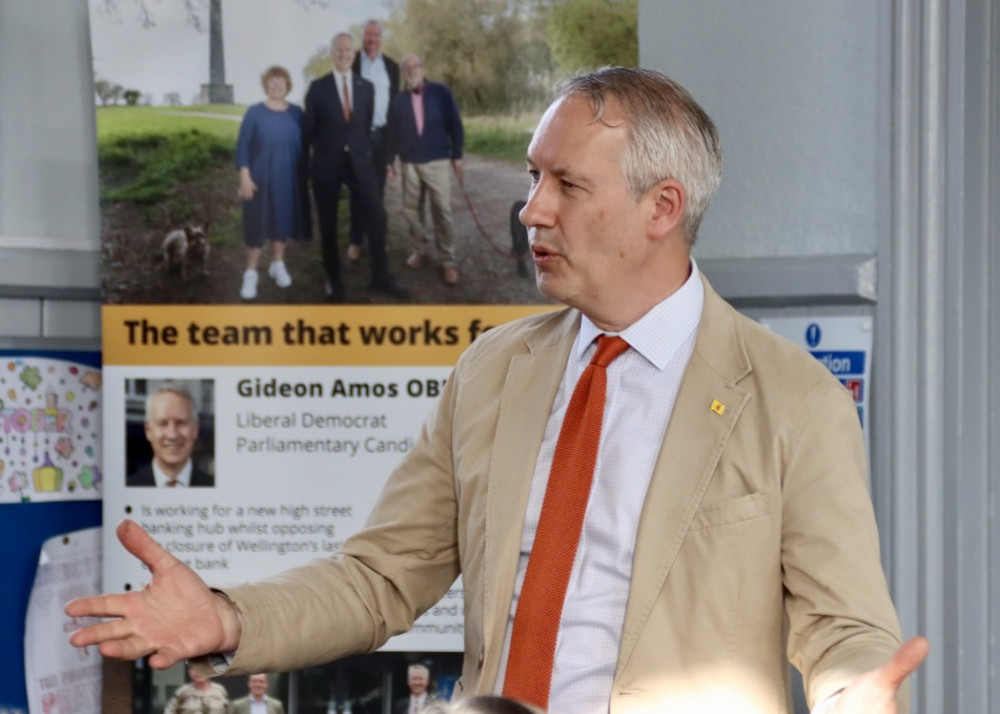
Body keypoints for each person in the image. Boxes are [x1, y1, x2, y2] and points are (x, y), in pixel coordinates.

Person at [68, 68, 928, 713]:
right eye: (531, 176)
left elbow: (843, 627)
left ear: (662, 207)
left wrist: (856, 689)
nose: (531, 211)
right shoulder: (491, 370)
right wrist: (226, 619)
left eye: (568, 186)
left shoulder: (792, 399)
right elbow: (379, 579)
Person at [304, 32, 407, 303]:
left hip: (360, 164)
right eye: (338, 50)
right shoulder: (318, 88)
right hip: (327, 165)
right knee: (328, 224)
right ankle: (333, 280)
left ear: (353, 54)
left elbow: (362, 129)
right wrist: (308, 168)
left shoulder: (366, 88)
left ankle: (381, 277)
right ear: (332, 53)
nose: (343, 54)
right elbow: (309, 132)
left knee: (377, 217)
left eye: (348, 50)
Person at [234, 65, 311, 301]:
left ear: (288, 85)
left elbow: (311, 140)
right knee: (256, 225)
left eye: (281, 82)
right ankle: (251, 272)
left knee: (283, 222)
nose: (277, 86)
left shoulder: (297, 113)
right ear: (266, 85)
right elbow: (242, 145)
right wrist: (244, 176)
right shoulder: (255, 112)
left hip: (288, 178)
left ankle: (277, 264)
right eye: (272, 82)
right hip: (259, 179)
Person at [387, 54, 465, 285]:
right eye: (407, 68)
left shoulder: (440, 92)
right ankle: (419, 248)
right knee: (412, 210)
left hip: (437, 160)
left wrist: (457, 155)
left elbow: (454, 123)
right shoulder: (398, 101)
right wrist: (389, 160)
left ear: (422, 68)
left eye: (415, 66)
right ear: (403, 74)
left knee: (442, 209)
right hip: (409, 162)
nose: (412, 70)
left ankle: (448, 260)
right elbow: (392, 133)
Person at [348, 19, 400, 264]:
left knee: (377, 192)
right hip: (357, 137)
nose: (371, 40)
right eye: (367, 35)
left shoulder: (391, 67)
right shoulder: (351, 61)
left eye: (375, 35)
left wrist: (391, 154)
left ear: (381, 38)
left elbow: (395, 110)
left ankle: (376, 239)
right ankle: (356, 241)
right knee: (358, 190)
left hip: (381, 137)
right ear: (362, 37)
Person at [126, 383, 212, 487]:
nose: (172, 435)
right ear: (148, 430)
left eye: (181, 423)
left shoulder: (215, 486)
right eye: (162, 424)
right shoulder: (129, 487)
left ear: (195, 429)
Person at [164, 663, 230, 714]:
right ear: (189, 672)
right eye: (194, 669)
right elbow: (169, 711)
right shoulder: (183, 691)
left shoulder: (219, 690)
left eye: (202, 668)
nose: (198, 672)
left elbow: (228, 711)